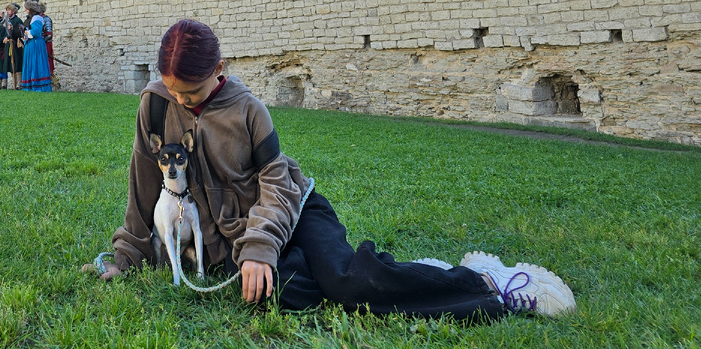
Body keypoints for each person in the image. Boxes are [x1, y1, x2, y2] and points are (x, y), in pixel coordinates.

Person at [86, 19, 576, 321]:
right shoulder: (153, 105)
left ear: (221, 70)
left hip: (294, 212)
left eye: (189, 93)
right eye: (174, 91)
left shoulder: (249, 109)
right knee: (284, 293)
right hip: (237, 239)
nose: (180, 101)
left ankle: (488, 284)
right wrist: (126, 254)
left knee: (344, 281)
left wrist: (259, 247)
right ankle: (404, 272)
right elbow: (145, 186)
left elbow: (276, 183)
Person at [20, 0, 52, 92]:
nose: (26, 10)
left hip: (36, 44)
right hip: (32, 44)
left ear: (30, 9)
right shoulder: (33, 18)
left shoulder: (37, 18)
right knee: (32, 63)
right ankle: (30, 85)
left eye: (26, 9)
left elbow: (35, 32)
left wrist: (25, 31)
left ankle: (38, 86)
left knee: (36, 63)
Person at [5, 4, 25, 90]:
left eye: (9, 10)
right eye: (7, 10)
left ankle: (19, 84)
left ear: (13, 11)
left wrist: (12, 29)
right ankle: (14, 84)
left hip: (16, 45)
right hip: (9, 45)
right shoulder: (7, 21)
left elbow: (21, 33)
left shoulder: (18, 20)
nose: (7, 12)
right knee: (11, 65)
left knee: (17, 64)